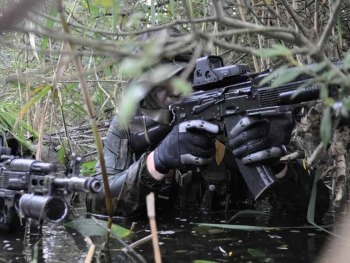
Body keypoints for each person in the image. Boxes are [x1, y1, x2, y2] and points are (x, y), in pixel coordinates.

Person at [86, 27, 330, 221]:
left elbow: (313, 211)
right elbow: (97, 203)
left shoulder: (235, 114)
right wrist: (156, 162)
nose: (174, 90)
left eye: (183, 78)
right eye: (160, 83)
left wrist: (278, 166)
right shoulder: (128, 128)